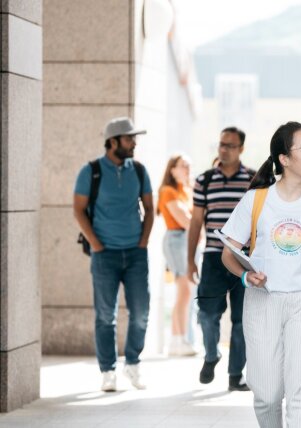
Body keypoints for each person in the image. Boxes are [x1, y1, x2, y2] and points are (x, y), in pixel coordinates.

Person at [219, 121, 301, 428]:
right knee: (266, 393)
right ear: (284, 159)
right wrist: (244, 276)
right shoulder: (257, 200)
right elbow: (228, 253)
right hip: (263, 302)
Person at [73, 117, 154, 392]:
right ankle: (107, 371)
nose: (134, 143)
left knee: (141, 312)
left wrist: (143, 242)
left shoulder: (140, 170)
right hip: (104, 255)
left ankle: (133, 363)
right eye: (129, 138)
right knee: (105, 316)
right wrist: (95, 244)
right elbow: (78, 209)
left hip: (135, 254)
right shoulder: (91, 171)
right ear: (113, 141)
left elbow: (150, 208)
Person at [186, 126, 254, 391]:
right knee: (207, 313)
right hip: (213, 256)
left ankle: (235, 375)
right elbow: (195, 222)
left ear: (241, 149)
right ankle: (211, 354)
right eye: (221, 144)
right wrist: (190, 258)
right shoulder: (204, 180)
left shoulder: (252, 179)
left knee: (241, 319)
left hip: (243, 259)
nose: (224, 149)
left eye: (230, 145)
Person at [157, 154, 196, 356]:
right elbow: (186, 221)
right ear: (172, 169)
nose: (187, 169)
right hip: (176, 240)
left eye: (188, 166)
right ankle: (176, 341)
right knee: (184, 292)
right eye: (182, 166)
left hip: (188, 241)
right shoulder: (168, 191)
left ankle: (180, 340)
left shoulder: (186, 191)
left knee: (187, 292)